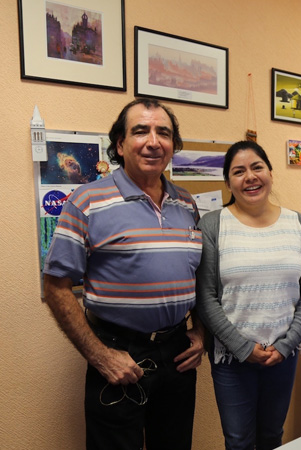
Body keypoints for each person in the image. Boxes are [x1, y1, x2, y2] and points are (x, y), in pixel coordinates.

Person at [43, 98, 205, 450]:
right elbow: (55, 286)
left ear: (173, 145)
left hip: (177, 353)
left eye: (164, 133)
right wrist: (100, 356)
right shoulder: (86, 201)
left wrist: (202, 333)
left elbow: (199, 277)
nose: (153, 142)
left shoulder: (186, 204)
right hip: (117, 352)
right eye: (141, 131)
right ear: (120, 144)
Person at [196, 140, 301, 449]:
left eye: (257, 167)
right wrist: (242, 347)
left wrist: (286, 345)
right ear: (228, 183)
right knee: (238, 441)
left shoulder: (298, 224)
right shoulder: (212, 225)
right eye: (238, 171)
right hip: (231, 358)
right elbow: (206, 297)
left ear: (271, 174)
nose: (250, 177)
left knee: (272, 436)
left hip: (283, 354)